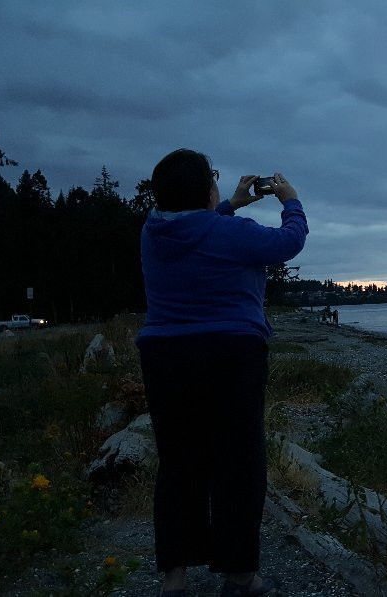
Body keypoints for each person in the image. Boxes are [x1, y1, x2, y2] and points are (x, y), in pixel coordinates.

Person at [136, 148, 307, 596]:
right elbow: (289, 242)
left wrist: (231, 202)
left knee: (178, 464)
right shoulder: (233, 234)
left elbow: (194, 226)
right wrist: (291, 200)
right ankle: (238, 576)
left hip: (163, 356)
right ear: (206, 188)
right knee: (239, 463)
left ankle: (174, 580)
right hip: (231, 353)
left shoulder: (151, 234)